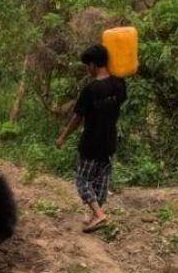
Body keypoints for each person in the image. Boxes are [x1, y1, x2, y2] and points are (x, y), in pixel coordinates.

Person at [55, 44, 128, 233]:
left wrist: (62, 137)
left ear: (95, 64)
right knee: (101, 180)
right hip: (110, 142)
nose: (88, 69)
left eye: (88, 65)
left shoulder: (90, 89)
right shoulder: (119, 84)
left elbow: (77, 118)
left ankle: (99, 214)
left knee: (82, 180)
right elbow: (120, 99)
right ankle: (95, 215)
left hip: (90, 143)